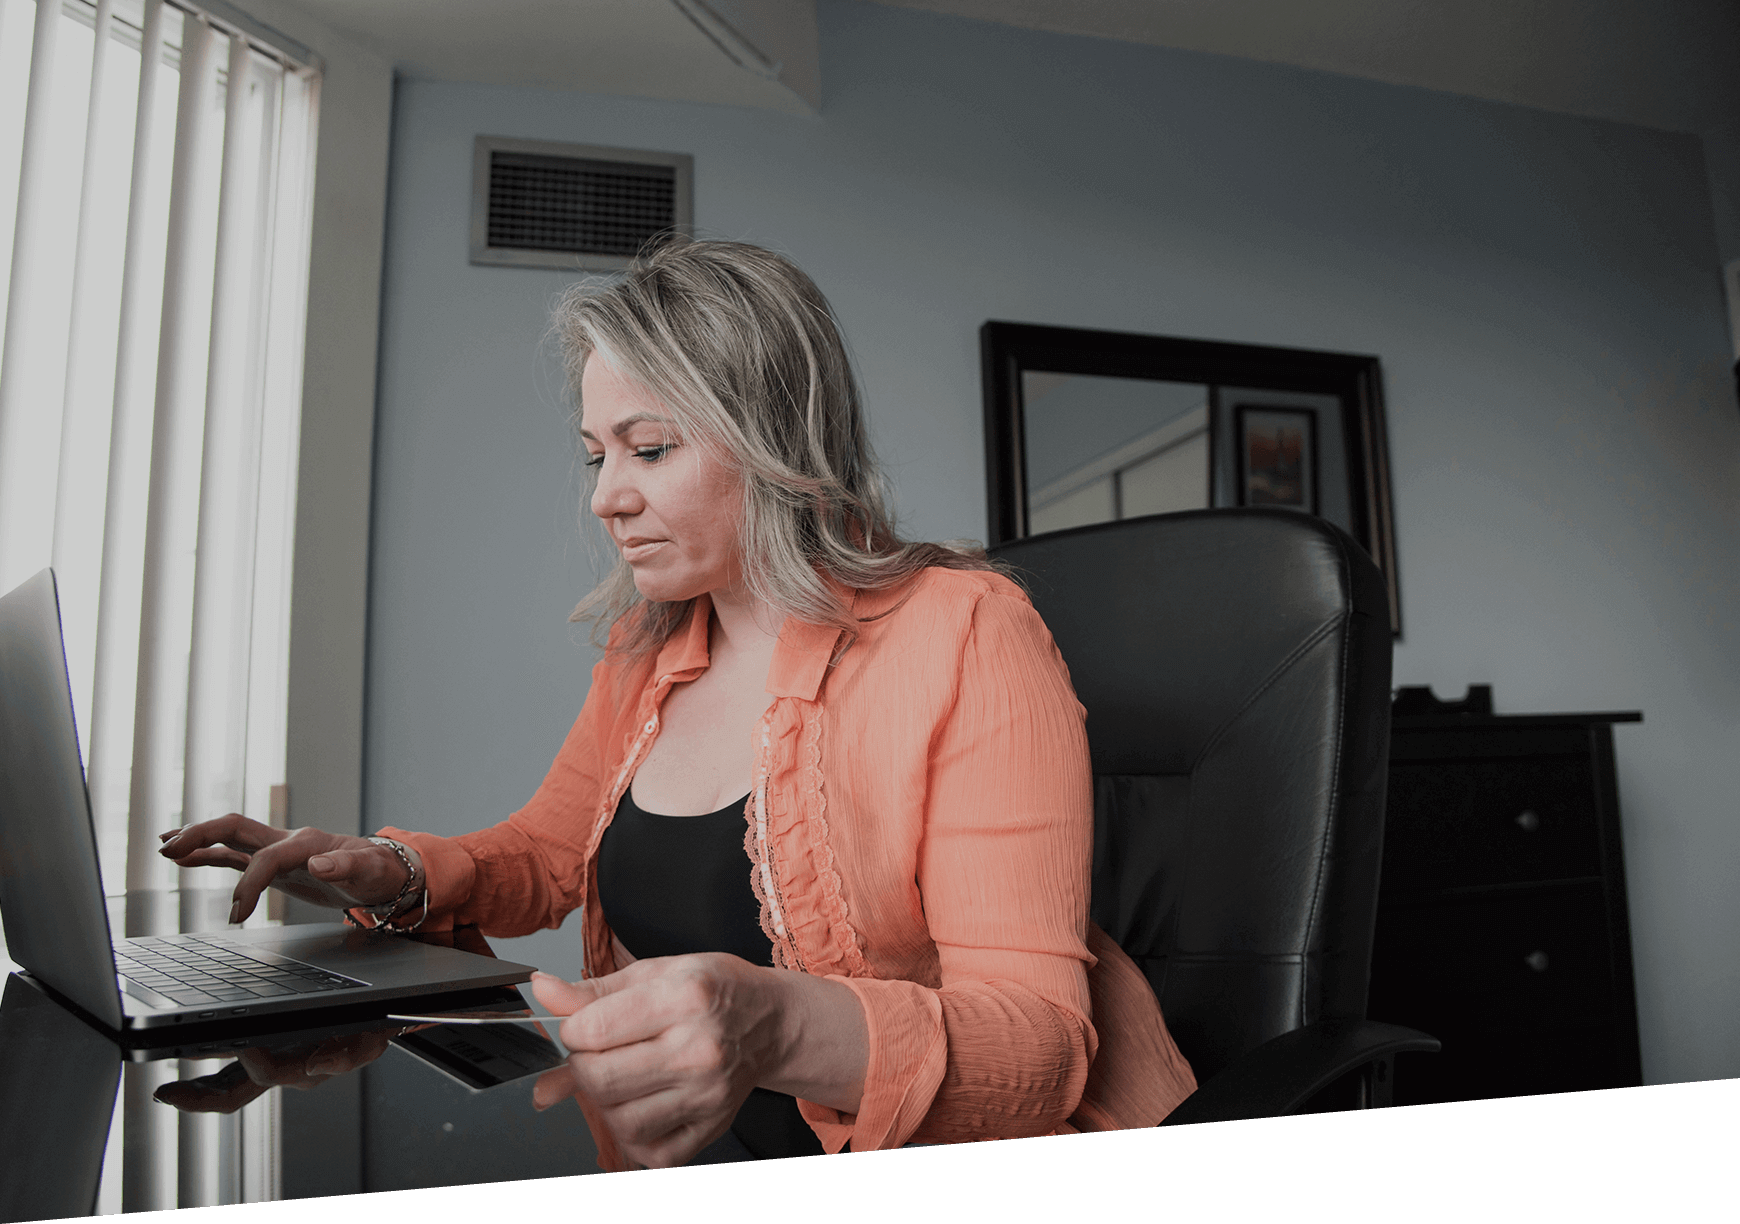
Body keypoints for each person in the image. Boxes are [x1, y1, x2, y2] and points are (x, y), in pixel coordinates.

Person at [160, 238, 1197, 1169]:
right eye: (595, 454)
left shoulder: (967, 631)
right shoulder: (650, 642)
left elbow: (1039, 1046)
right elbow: (551, 854)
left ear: (774, 438)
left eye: (648, 449)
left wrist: (778, 1027)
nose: (606, 495)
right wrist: (390, 872)